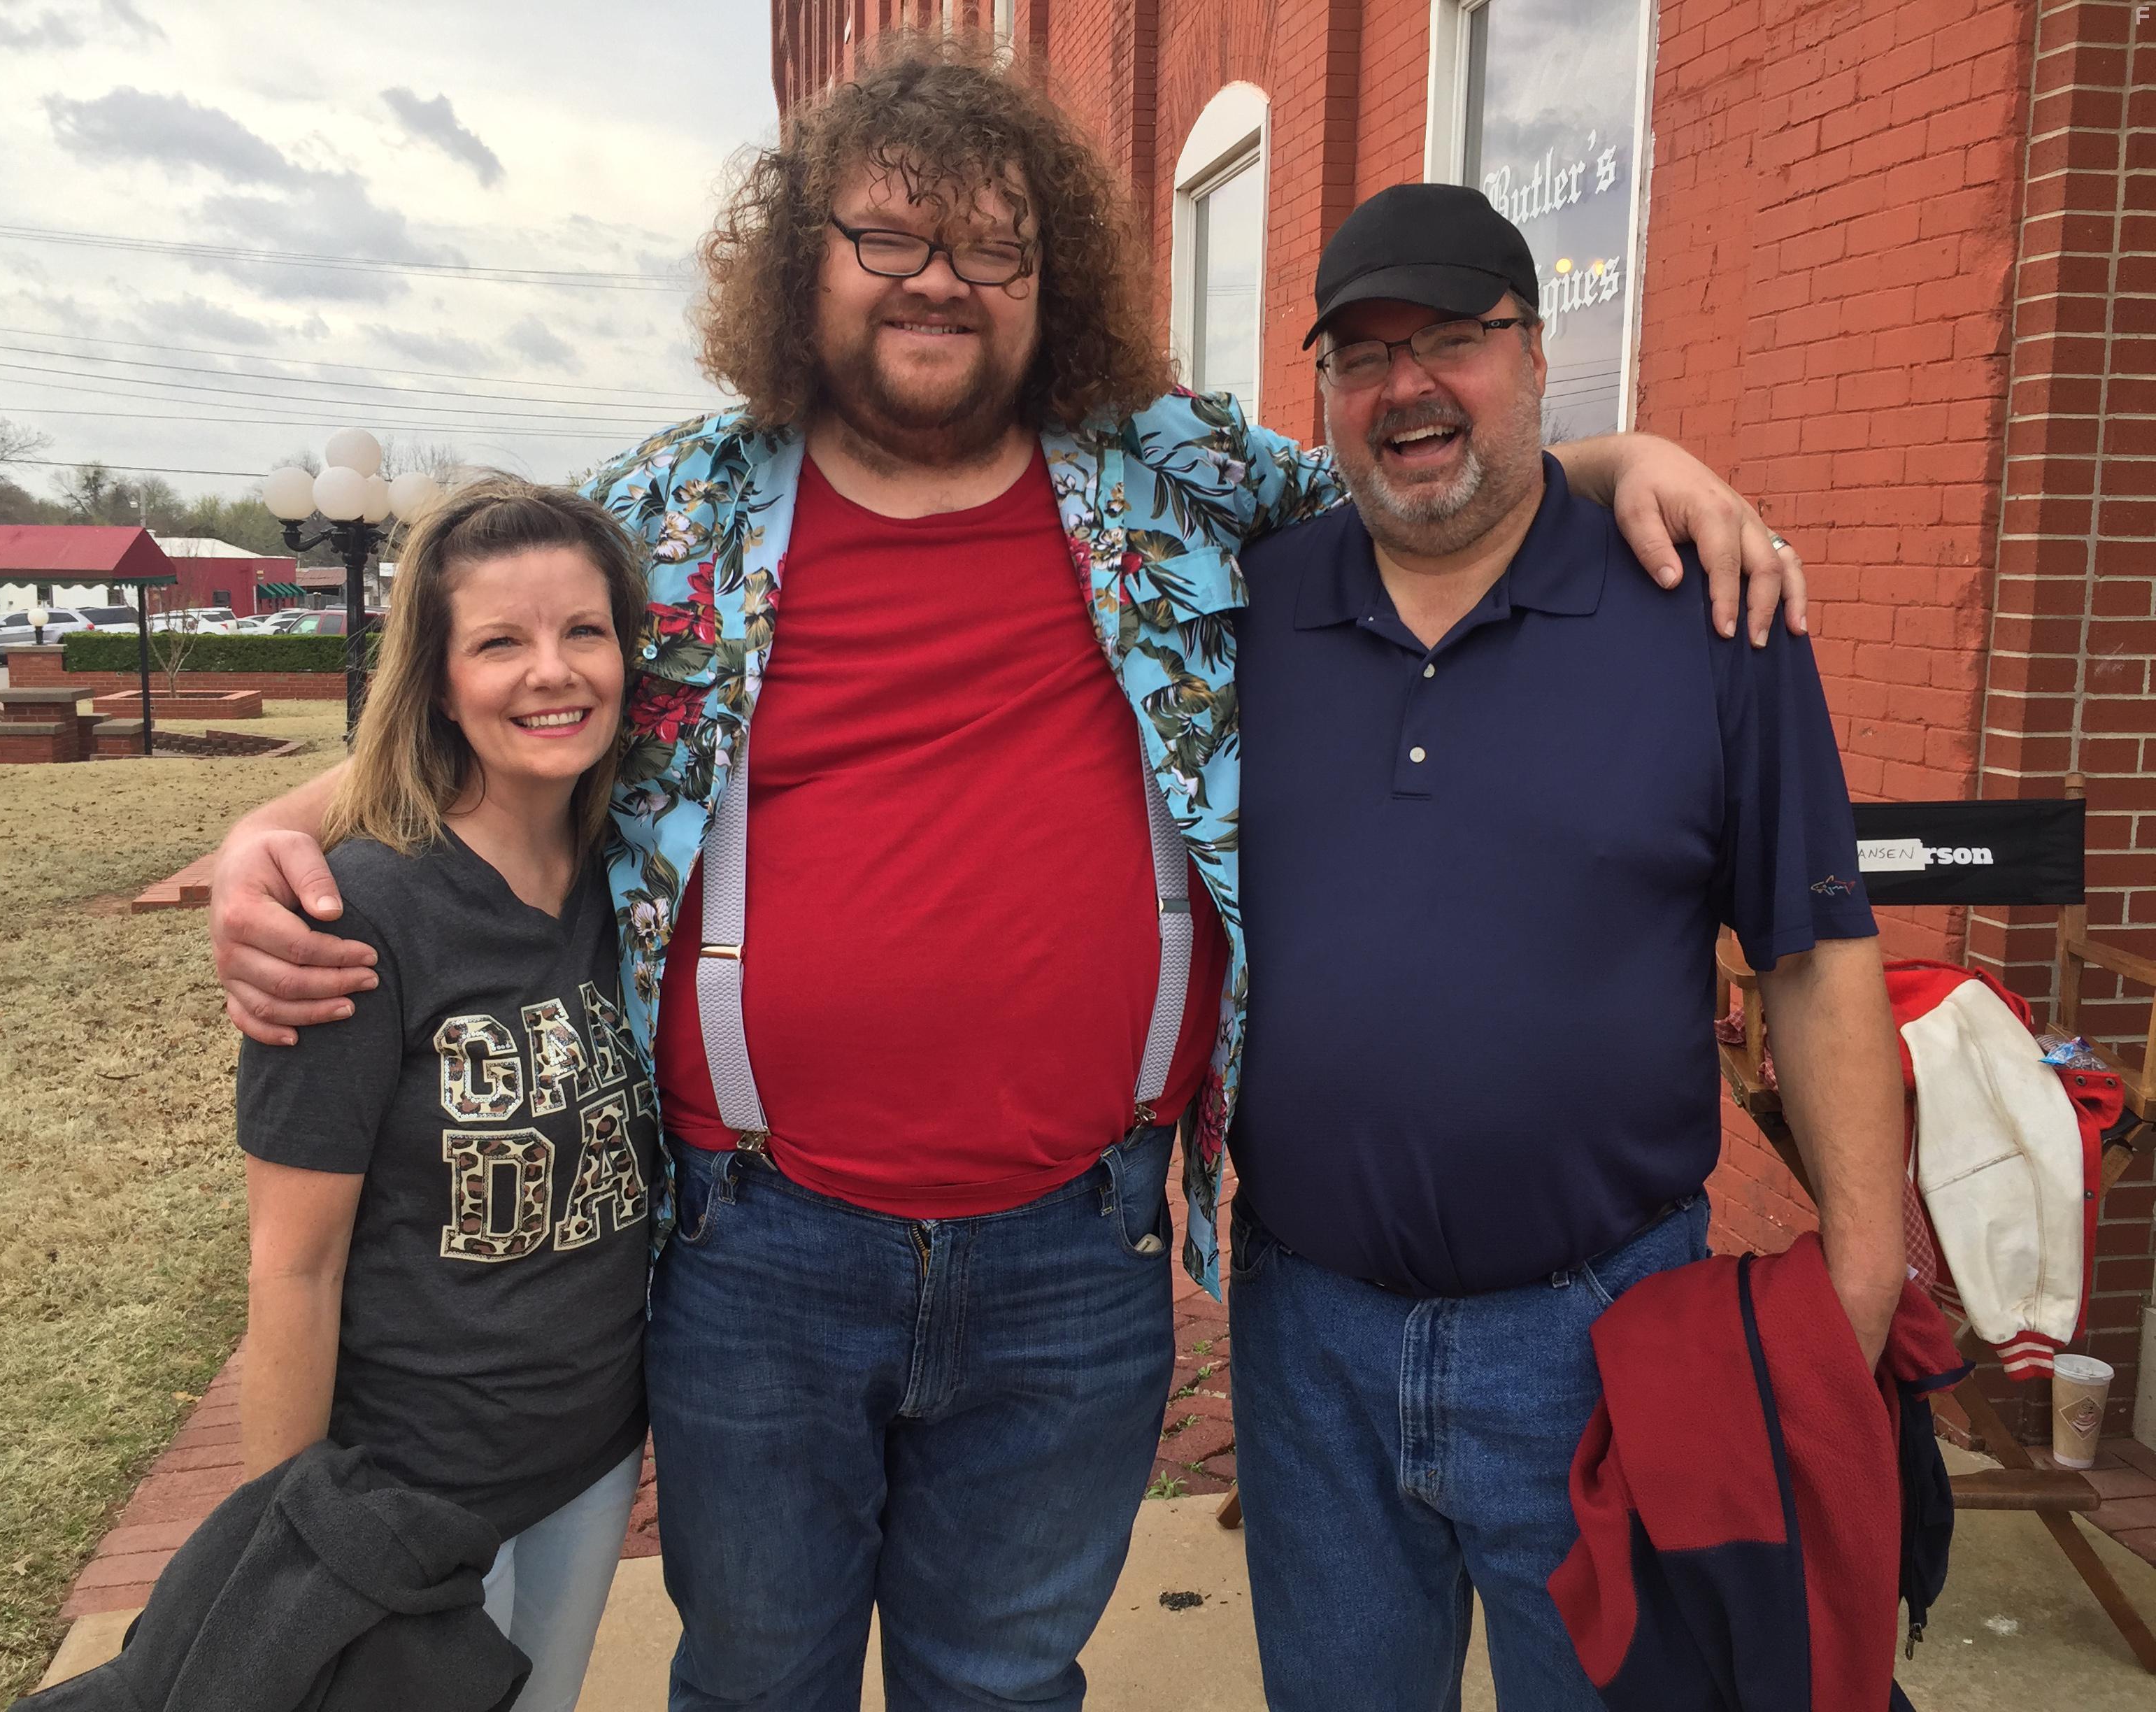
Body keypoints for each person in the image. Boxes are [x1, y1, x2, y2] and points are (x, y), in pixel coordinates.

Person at [208, 35, 1809, 1712]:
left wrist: (1635, 462)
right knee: (759, 1679)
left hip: (1079, 1240)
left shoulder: (1169, 483)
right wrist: (280, 833)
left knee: (1003, 1679)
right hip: (760, 1247)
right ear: (800, 261)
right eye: (889, 239)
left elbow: (1424, 485)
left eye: (993, 249)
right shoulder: (678, 514)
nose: (941, 284)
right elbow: (511, 679)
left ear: (1056, 283)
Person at [1224, 182, 1907, 1711]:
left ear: (1537, 357)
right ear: (1325, 390)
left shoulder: (1710, 616)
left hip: (1605, 1341)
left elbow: (1814, 952)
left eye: (1454, 338)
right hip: (1307, 1342)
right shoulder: (1243, 618)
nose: (1408, 386)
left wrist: (1861, 1280)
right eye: (1363, 352)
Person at [234, 477, 658, 1712]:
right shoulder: (358, 912)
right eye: (500, 642)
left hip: (586, 1461)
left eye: (584, 631)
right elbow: (292, 1268)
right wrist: (288, 1556)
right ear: (435, 678)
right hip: (405, 1500)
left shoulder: (628, 872)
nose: (552, 672)